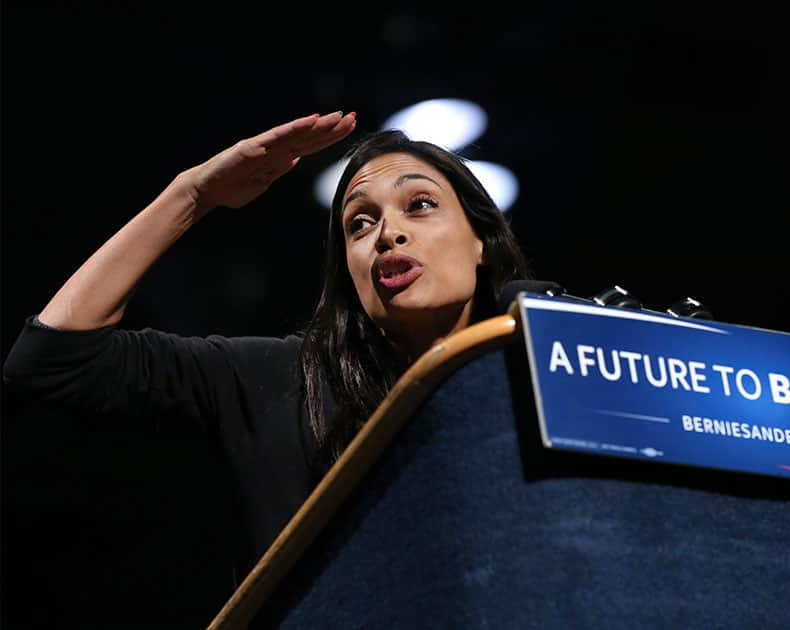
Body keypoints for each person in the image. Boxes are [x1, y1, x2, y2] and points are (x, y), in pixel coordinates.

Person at [2, 110, 531, 578]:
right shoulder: (283, 381)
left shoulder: (544, 361)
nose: (387, 233)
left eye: (419, 204)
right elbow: (52, 357)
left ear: (482, 241)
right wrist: (192, 195)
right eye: (359, 223)